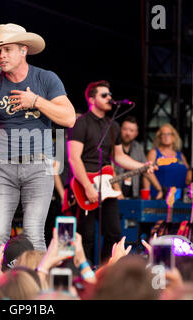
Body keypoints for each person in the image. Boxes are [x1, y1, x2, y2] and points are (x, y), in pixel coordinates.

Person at [0, 23, 76, 259]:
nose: (1, 56)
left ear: (24, 50)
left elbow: (70, 118)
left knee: (33, 233)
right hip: (3, 166)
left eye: (8, 50)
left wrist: (36, 101)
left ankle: (37, 290)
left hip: (38, 165)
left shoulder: (45, 79)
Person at [68, 80, 156, 265]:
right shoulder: (80, 123)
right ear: (91, 99)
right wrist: (87, 187)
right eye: (104, 95)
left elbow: (119, 157)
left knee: (114, 232)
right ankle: (84, 271)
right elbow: (74, 158)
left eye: (110, 94)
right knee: (87, 235)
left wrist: (142, 165)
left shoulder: (113, 126)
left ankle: (106, 269)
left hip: (107, 186)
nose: (110, 98)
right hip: (85, 185)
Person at [115, 116, 163, 199]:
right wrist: (118, 192)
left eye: (131, 130)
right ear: (120, 130)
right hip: (114, 194)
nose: (128, 133)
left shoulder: (138, 148)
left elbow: (145, 169)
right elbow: (110, 172)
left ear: (136, 133)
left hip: (133, 194)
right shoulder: (114, 147)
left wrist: (159, 189)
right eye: (125, 129)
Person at [146, 123, 192, 199]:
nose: (166, 137)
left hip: (180, 196)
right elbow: (147, 173)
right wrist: (149, 193)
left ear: (174, 137)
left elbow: (189, 175)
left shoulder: (180, 155)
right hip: (160, 195)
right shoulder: (154, 153)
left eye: (169, 134)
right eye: (163, 134)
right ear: (159, 137)